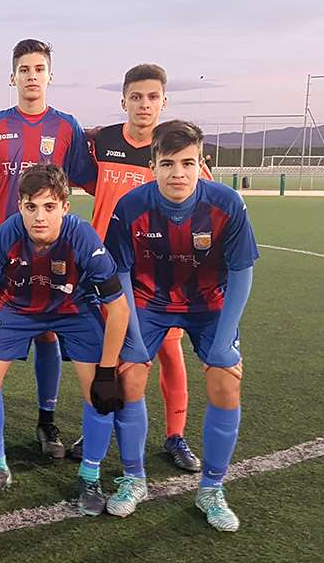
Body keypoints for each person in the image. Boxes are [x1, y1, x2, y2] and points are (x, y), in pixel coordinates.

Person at [104, 120, 258, 531]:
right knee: (129, 376)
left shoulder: (227, 203)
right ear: (152, 165)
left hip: (208, 303)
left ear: (201, 164)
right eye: (168, 163)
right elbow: (120, 273)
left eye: (187, 163)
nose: (178, 173)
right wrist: (132, 336)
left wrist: (223, 343)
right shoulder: (131, 206)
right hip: (149, 301)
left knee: (226, 378)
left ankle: (212, 488)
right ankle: (134, 478)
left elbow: (241, 272)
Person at [0, 163, 129, 506]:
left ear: (65, 207)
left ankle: (90, 476)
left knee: (99, 390)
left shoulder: (82, 237)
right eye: (31, 206)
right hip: (17, 307)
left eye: (49, 206)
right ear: (20, 206)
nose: (40, 216)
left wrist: (108, 371)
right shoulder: (7, 234)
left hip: (73, 308)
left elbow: (119, 308)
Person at [76, 64, 211, 471]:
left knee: (169, 351)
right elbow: (93, 187)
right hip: (108, 268)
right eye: (136, 97)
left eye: (153, 97)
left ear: (164, 101)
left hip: (160, 273)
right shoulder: (104, 142)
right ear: (124, 101)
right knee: (109, 354)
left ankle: (176, 435)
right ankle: (102, 422)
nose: (144, 104)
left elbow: (200, 201)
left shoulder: (173, 148)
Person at [0, 39, 99, 457]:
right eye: (24, 69)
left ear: (49, 76)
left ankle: (47, 421)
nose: (31, 76)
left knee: (47, 333)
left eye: (38, 69)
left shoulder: (66, 126)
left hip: (51, 252)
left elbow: (92, 178)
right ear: (13, 77)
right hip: (2, 249)